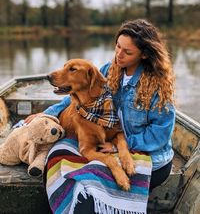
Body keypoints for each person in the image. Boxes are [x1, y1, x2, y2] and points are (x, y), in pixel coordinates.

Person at [25, 19, 176, 214]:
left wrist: (119, 145)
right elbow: (77, 98)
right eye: (117, 46)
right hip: (109, 143)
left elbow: (159, 135)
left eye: (127, 52)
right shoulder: (109, 71)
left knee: (87, 188)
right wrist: (46, 115)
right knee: (58, 162)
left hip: (151, 156)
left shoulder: (158, 87)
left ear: (145, 54)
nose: (119, 55)